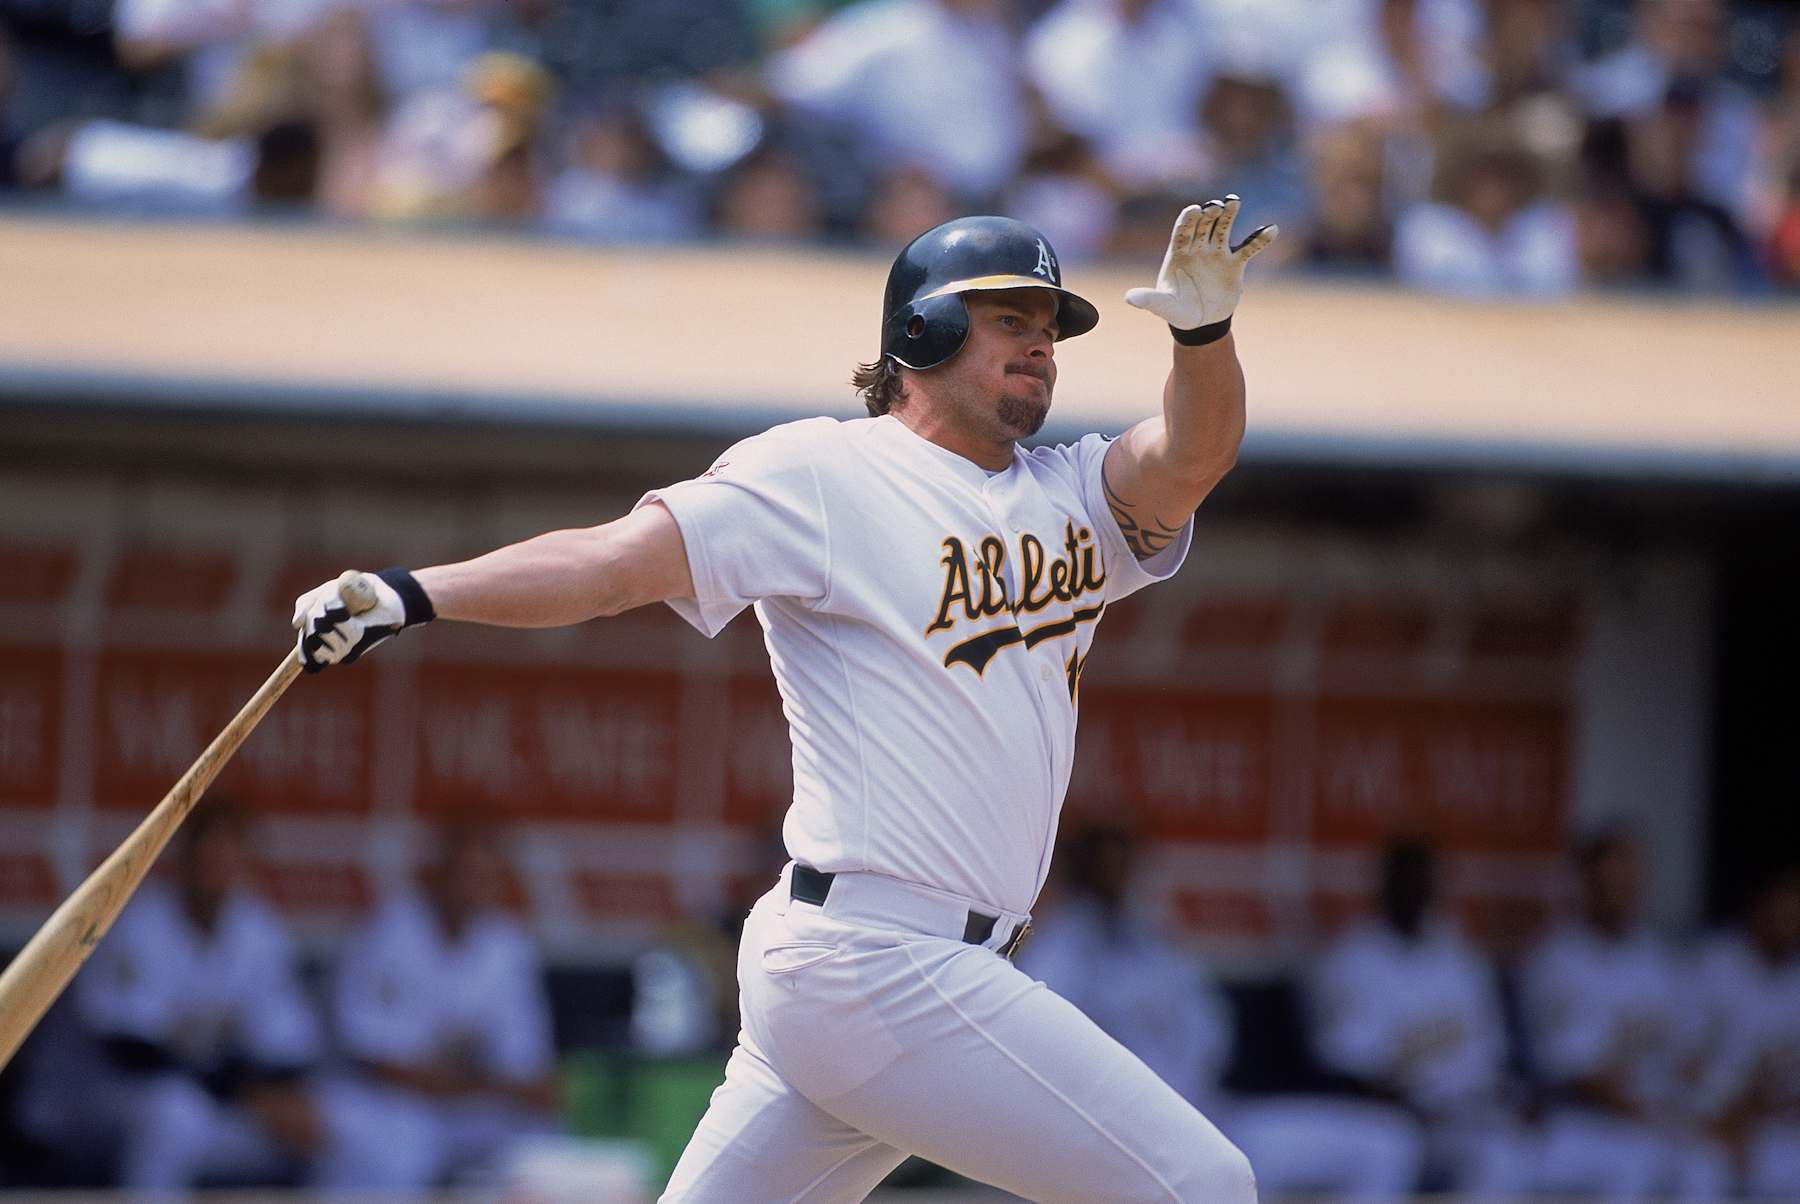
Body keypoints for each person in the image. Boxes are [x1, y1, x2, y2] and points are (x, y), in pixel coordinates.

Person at [292, 195, 1277, 1201]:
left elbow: (1194, 455)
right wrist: (415, 592)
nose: (1042, 347)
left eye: (1050, 328)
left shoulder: (1075, 492)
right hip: (880, 954)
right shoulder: (822, 472)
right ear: (921, 328)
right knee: (1203, 1184)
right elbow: (610, 563)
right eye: (1011, 319)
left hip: (885, 970)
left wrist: (1203, 335)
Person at [1022, 823, 1424, 1201]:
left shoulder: (1153, 941)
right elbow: (1045, 1051)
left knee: (1387, 1144)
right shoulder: (1058, 950)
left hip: (1206, 1119)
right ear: (1079, 870)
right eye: (1102, 865)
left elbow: (1212, 1029)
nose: (1115, 876)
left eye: (1122, 863)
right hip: (1114, 1140)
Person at [65, 802, 326, 1189]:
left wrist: (274, 1098)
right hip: (105, 1097)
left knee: (325, 1123)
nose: (217, 870)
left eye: (229, 857)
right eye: (208, 856)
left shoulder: (258, 930)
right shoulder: (140, 925)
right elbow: (130, 1049)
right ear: (183, 860)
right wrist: (247, 1091)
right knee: (175, 1114)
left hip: (219, 1097)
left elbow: (287, 1046)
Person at [313, 822, 558, 1189]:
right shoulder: (391, 930)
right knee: (397, 1152)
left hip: (472, 1107)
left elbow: (525, 1068)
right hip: (389, 1105)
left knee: (543, 1147)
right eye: (464, 874)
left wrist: (501, 1087)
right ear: (436, 876)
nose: (472, 888)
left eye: (483, 876)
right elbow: (376, 1060)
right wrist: (474, 1083)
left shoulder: (507, 945)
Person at [1311, 838, 1535, 1195]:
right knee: (1391, 1148)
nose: (1416, 892)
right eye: (1406, 881)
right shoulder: (1352, 959)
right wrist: (1414, 1106)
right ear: (1384, 886)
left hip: (1463, 1118)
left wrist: (1509, 1101)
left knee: (1503, 1152)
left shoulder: (1459, 958)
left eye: (1424, 882)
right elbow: (1348, 1070)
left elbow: (1489, 1058)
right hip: (1397, 1121)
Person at [1521, 830, 1731, 1201]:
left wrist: (1705, 1110)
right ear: (1587, 884)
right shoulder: (1556, 959)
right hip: (1577, 1122)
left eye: (1630, 882)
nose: (1622, 892)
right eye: (1611, 882)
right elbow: (1580, 1074)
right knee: (1635, 1162)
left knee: (1706, 1164)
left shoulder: (1657, 959)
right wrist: (1656, 1121)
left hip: (1654, 1115)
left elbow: (1692, 1051)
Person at [1692, 867, 1800, 1198]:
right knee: (1704, 1171)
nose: (1789, 924)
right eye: (1781, 912)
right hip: (1713, 1121)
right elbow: (1685, 1061)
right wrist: (1724, 1115)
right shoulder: (1714, 964)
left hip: (1780, 1125)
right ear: (1759, 908)